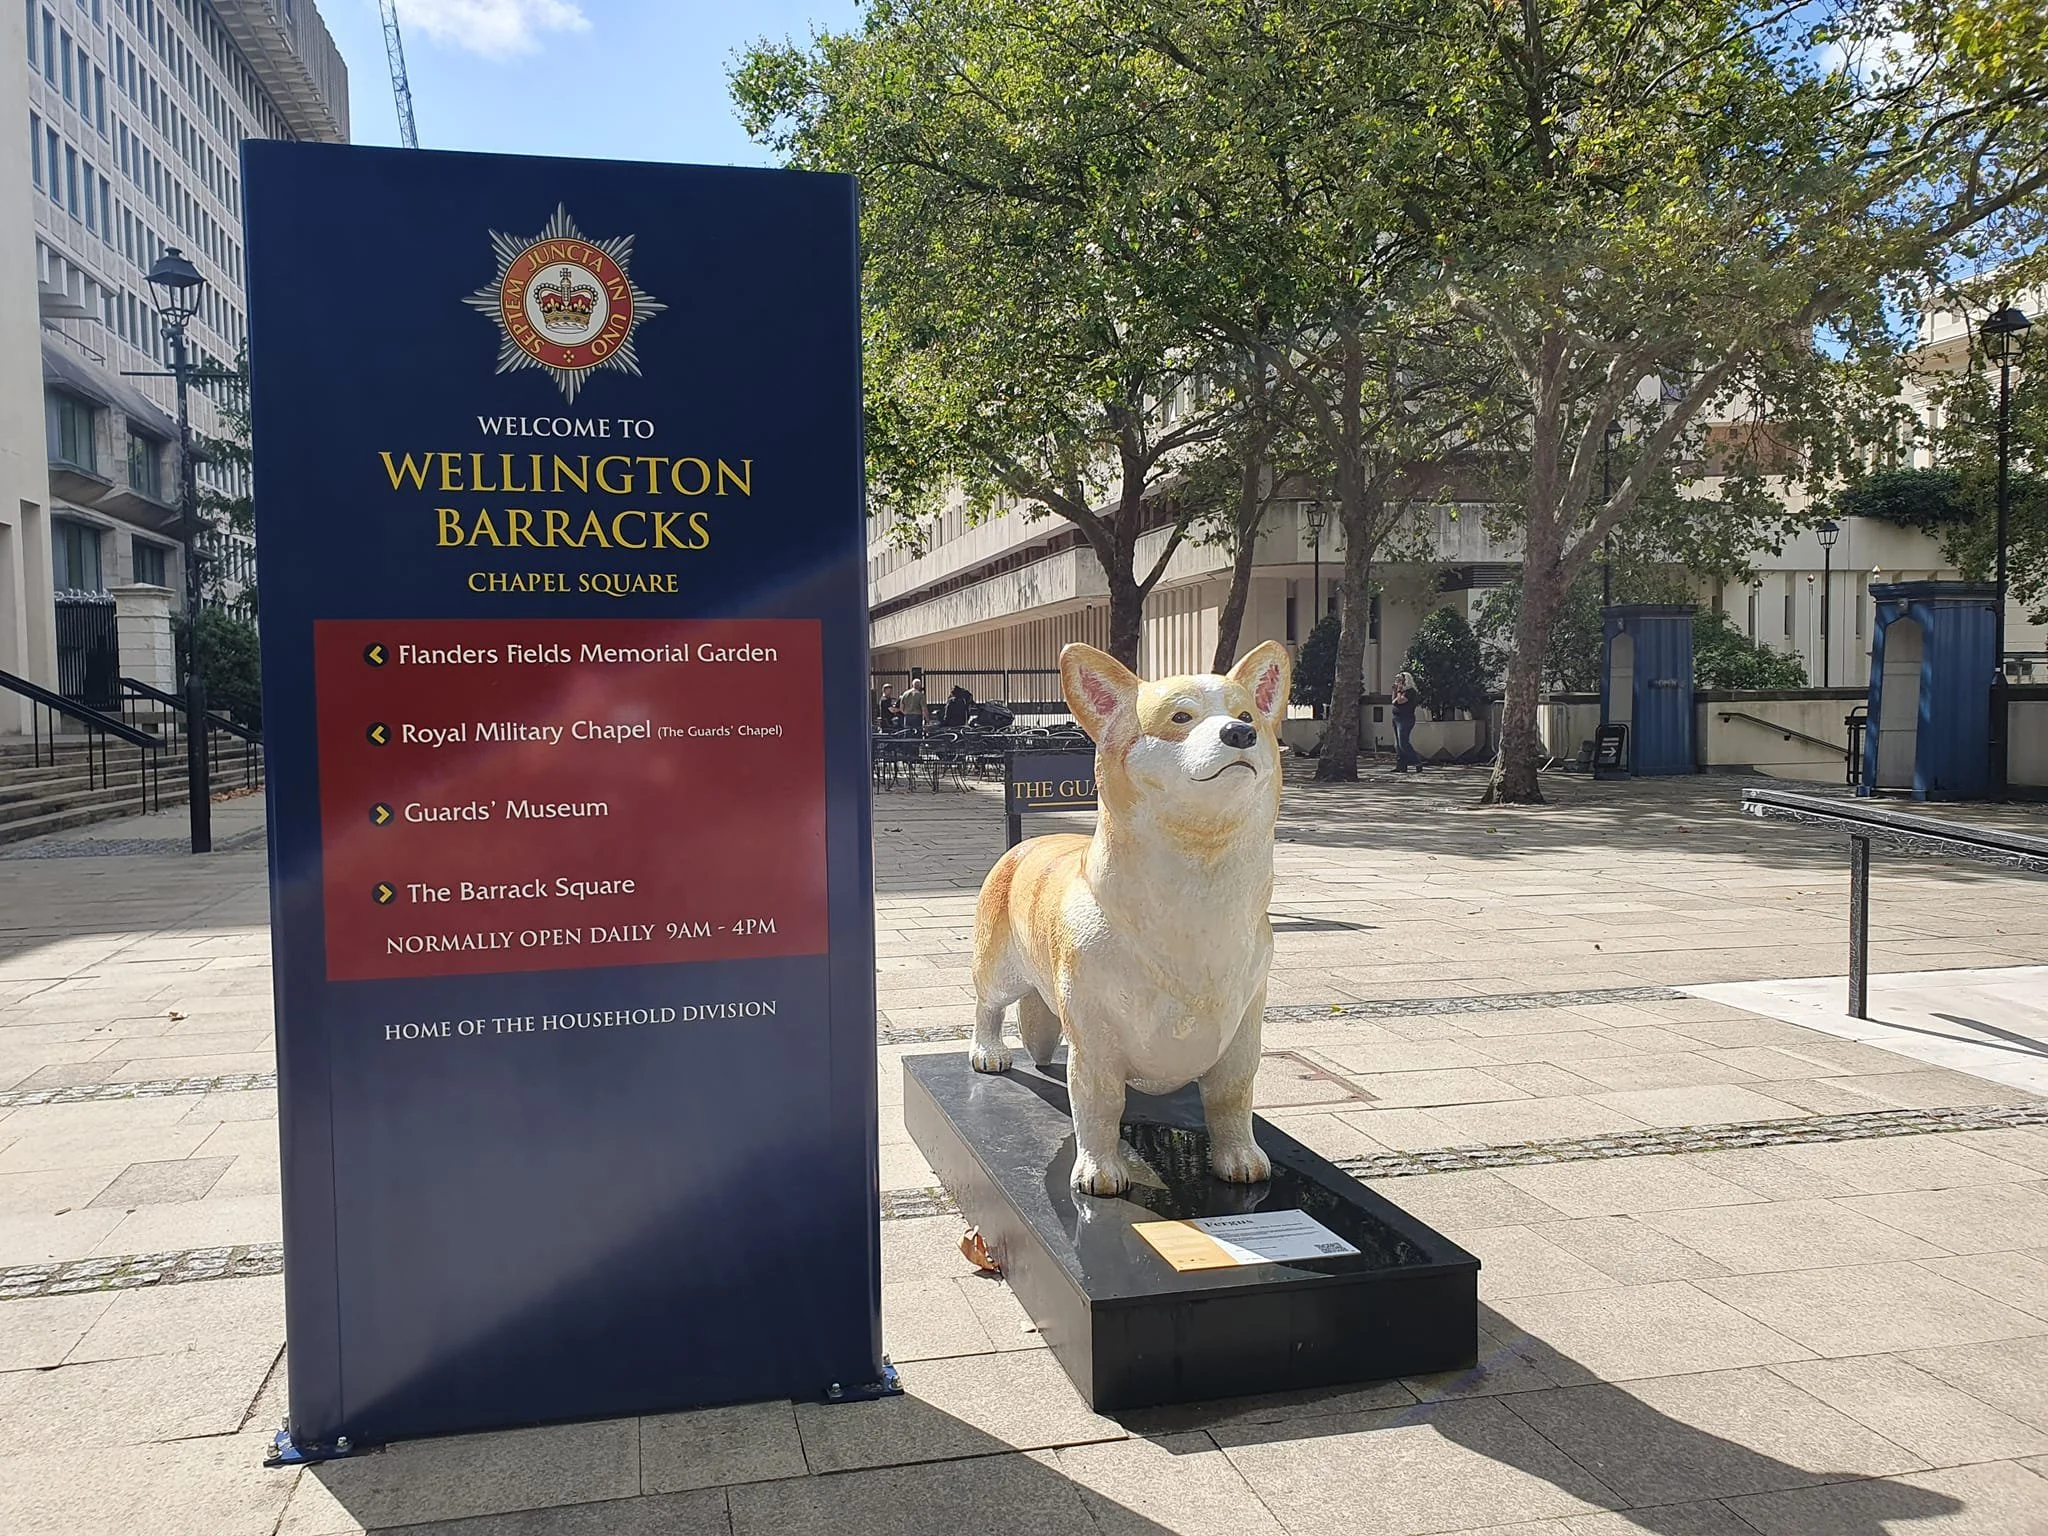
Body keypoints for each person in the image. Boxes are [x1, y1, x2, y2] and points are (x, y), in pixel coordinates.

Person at [1390, 671, 1423, 773]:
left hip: (1406, 719)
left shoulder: (1410, 692)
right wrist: (1394, 691)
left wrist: (1399, 691)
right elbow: (1393, 701)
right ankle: (1401, 766)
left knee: (1403, 742)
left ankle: (1417, 761)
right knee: (1397, 744)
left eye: (1401, 680)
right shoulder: (1401, 691)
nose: (1399, 682)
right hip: (1396, 718)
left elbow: (1400, 701)